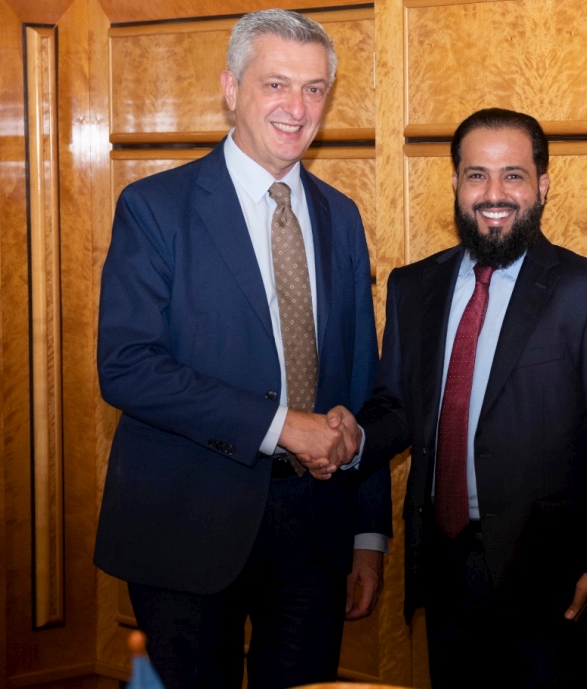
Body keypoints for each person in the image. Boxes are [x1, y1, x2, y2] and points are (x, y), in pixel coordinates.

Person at [93, 10, 390, 689]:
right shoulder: (154, 208)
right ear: (231, 88)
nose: (297, 107)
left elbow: (360, 378)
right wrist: (282, 425)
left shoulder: (340, 215)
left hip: (314, 534)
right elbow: (126, 365)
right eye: (276, 84)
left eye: (315, 89)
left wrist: (367, 533)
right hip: (185, 525)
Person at [333, 108, 587, 688]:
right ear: (455, 184)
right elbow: (400, 409)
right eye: (477, 175)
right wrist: (350, 439)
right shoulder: (414, 287)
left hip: (553, 580)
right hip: (446, 566)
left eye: (513, 175)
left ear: (543, 186)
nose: (494, 193)